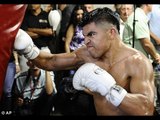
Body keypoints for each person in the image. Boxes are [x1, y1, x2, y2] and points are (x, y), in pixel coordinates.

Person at [14, 7, 157, 115]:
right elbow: (51, 62)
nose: (86, 41)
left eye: (91, 35)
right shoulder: (87, 54)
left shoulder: (137, 62)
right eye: (84, 36)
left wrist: (111, 89)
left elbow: (146, 109)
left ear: (111, 33)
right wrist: (28, 49)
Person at [0, 4, 27, 100]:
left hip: (9, 61)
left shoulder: (11, 24)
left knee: (7, 91)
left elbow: (11, 45)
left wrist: (16, 62)